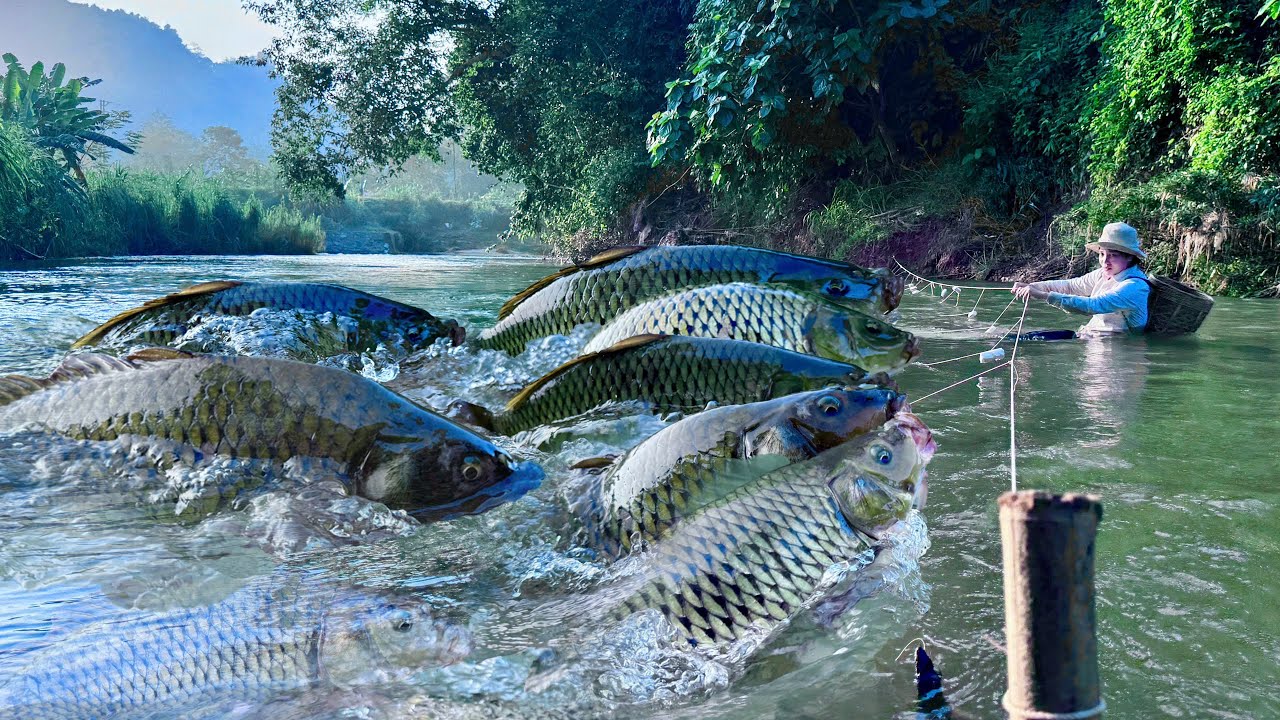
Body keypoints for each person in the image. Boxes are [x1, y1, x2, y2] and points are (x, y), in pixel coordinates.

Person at [1011, 222, 1151, 337]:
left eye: (1113, 255)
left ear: (1130, 257)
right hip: (1088, 337)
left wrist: (1044, 295)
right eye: (1102, 254)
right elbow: (1071, 286)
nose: (1105, 261)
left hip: (1116, 348)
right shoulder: (1102, 274)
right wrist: (1032, 287)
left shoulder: (1135, 286)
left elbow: (1093, 305)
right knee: (1020, 338)